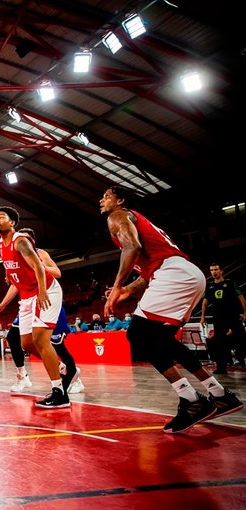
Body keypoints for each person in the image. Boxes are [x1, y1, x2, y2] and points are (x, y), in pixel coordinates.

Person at [100, 186, 242, 433]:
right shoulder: (141, 224)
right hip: (189, 274)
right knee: (162, 340)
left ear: (120, 201)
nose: (101, 200)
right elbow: (147, 274)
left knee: (137, 335)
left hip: (173, 274)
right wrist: (127, 291)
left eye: (107, 196)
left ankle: (192, 401)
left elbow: (131, 247)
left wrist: (116, 286)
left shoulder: (119, 216)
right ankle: (220, 394)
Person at [0, 209, 69, 408]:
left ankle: (59, 393)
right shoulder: (0, 245)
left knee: (40, 339)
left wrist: (42, 291)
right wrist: (3, 303)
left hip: (46, 290)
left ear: (13, 223)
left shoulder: (21, 241)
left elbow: (39, 267)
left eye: (2, 218)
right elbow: (15, 279)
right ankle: (57, 365)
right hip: (26, 296)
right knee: (26, 343)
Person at [0, 227, 84, 395]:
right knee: (15, 337)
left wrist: (39, 267)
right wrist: (3, 304)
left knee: (56, 344)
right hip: (29, 301)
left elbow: (57, 272)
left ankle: (74, 375)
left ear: (32, 241)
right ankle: (23, 376)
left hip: (46, 298)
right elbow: (16, 284)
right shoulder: (14, 254)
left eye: (26, 239)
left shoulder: (40, 254)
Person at [200, 263, 246, 374]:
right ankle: (221, 368)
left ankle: (242, 359)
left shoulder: (230, 283)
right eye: (211, 270)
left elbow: (241, 298)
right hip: (218, 318)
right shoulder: (210, 286)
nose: (214, 272)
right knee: (219, 343)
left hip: (233, 316)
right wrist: (202, 316)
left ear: (221, 271)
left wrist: (245, 313)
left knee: (242, 340)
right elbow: (205, 302)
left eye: (216, 269)